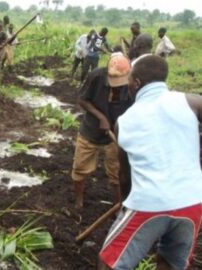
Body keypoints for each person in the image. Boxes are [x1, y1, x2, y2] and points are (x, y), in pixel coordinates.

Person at [99, 55, 202, 270]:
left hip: (149, 202)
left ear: (136, 83)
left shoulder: (125, 121)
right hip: (192, 201)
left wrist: (125, 206)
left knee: (109, 262)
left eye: (129, 81)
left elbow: (125, 176)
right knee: (171, 263)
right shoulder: (191, 102)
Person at [72, 53, 133, 209]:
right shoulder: (97, 76)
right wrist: (101, 117)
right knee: (80, 167)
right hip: (91, 130)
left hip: (117, 133)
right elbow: (82, 100)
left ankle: (118, 205)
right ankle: (79, 201)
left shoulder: (133, 83)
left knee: (117, 172)